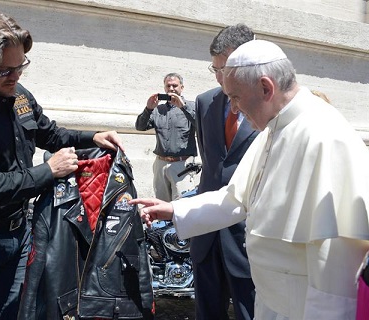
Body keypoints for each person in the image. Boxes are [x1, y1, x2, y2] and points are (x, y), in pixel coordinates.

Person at [131, 39, 369, 319]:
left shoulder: (324, 135)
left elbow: (335, 265)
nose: (233, 109)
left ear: (266, 88)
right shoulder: (275, 127)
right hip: (272, 303)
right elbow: (237, 197)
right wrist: (174, 209)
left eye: (235, 97)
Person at [0, 12, 123, 320]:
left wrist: (92, 136)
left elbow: (49, 132)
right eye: (5, 70)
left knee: (19, 315)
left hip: (18, 234)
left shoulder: (18, 95)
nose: (15, 77)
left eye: (21, 66)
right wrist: (48, 171)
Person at [191, 24, 257, 320]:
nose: (220, 78)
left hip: (247, 238)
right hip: (206, 237)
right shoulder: (205, 103)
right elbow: (211, 164)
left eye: (225, 68)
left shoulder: (268, 105)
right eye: (214, 69)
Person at [135, 73, 197, 201]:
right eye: (168, 86)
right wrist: (148, 109)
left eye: (175, 85)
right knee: (161, 204)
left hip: (182, 165)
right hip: (161, 164)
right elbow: (140, 127)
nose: (171, 89)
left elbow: (200, 124)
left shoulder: (192, 106)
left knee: (183, 205)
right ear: (164, 88)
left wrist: (183, 107)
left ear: (182, 87)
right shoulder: (158, 110)